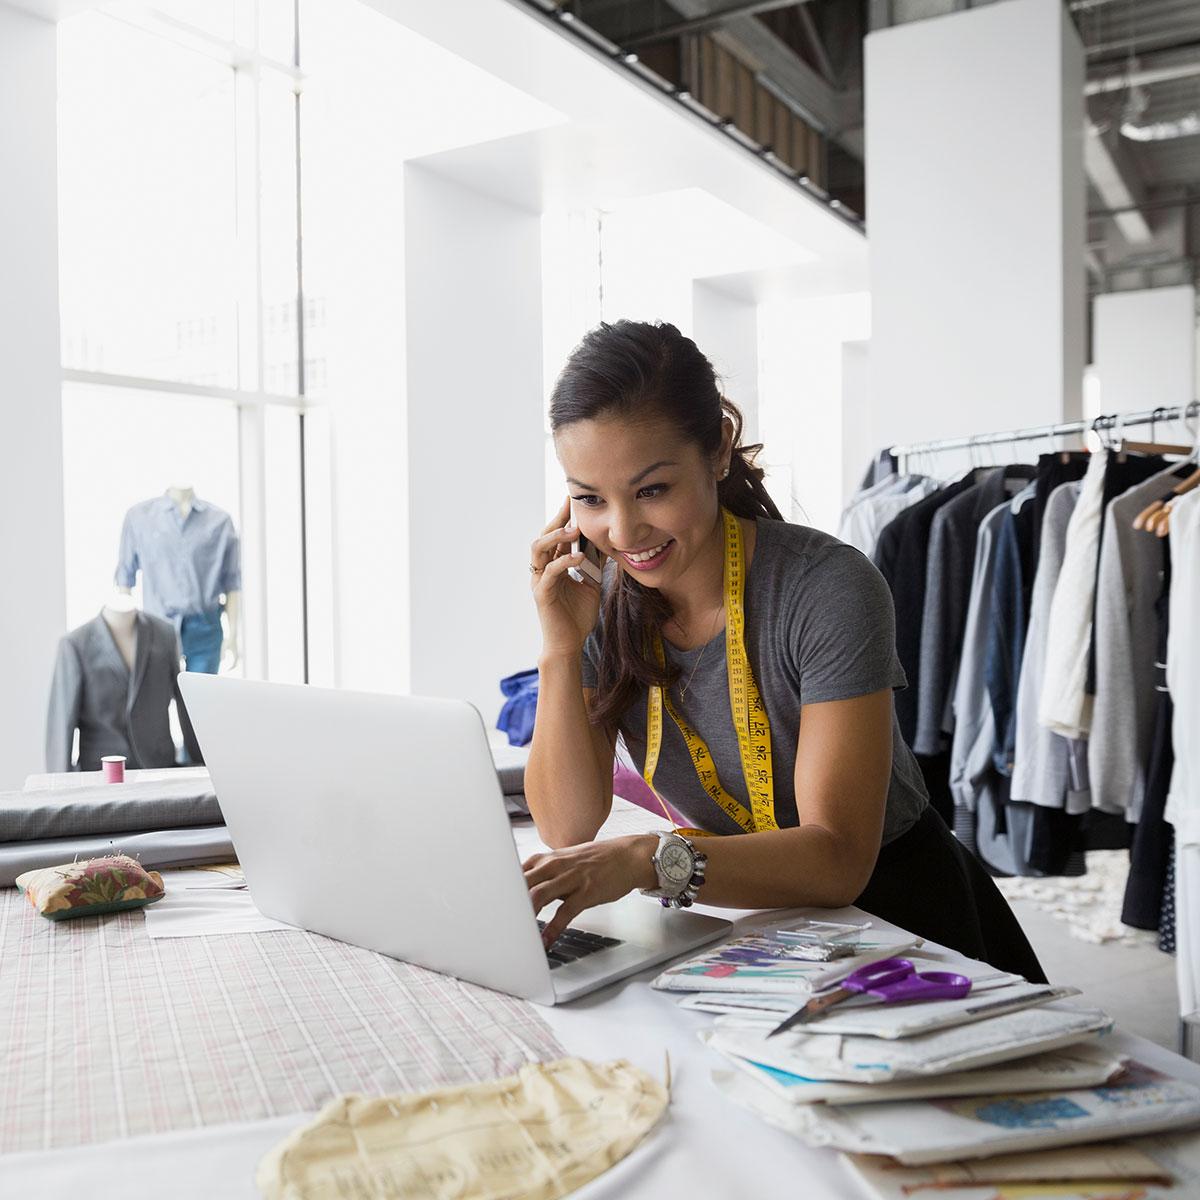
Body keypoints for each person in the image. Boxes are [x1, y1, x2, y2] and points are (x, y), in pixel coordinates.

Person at [523, 319, 1046, 984]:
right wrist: (561, 650)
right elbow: (567, 825)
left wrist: (645, 858)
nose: (623, 530)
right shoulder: (598, 597)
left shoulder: (827, 587)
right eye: (589, 498)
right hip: (748, 911)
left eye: (652, 489)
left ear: (717, 451)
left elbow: (837, 859)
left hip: (897, 910)